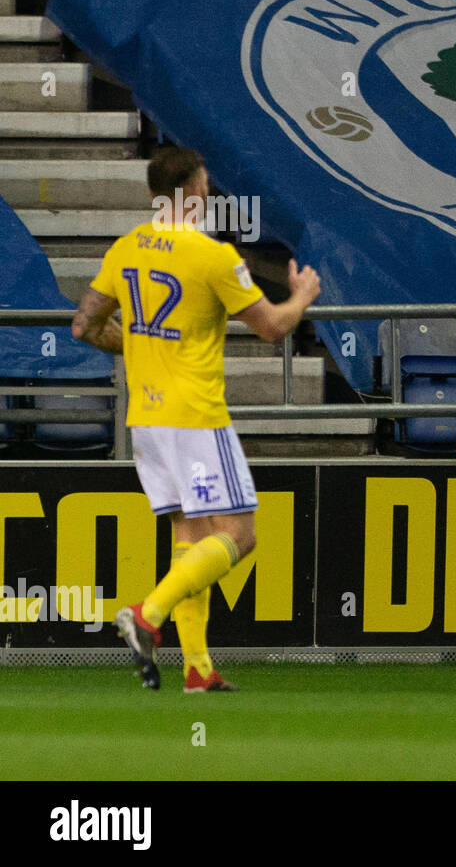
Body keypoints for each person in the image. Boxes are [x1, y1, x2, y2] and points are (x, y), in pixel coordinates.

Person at [72, 147, 321, 692]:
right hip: (195, 415)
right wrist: (301, 295)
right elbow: (274, 328)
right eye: (206, 183)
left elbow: (85, 326)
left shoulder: (127, 247)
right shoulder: (212, 255)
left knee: (190, 535)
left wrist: (136, 346)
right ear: (194, 191)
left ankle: (198, 668)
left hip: (147, 419)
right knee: (240, 535)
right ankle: (147, 614)